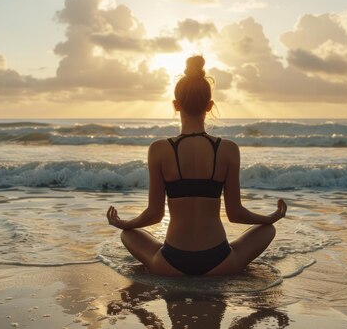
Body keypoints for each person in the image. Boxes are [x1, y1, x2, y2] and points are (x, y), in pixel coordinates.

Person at [106, 55, 287, 276]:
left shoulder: (159, 149)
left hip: (171, 262)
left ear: (175, 105)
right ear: (209, 106)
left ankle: (158, 264)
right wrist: (268, 218)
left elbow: (154, 215)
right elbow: (235, 213)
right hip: (219, 262)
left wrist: (123, 222)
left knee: (128, 234)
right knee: (267, 230)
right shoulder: (228, 149)